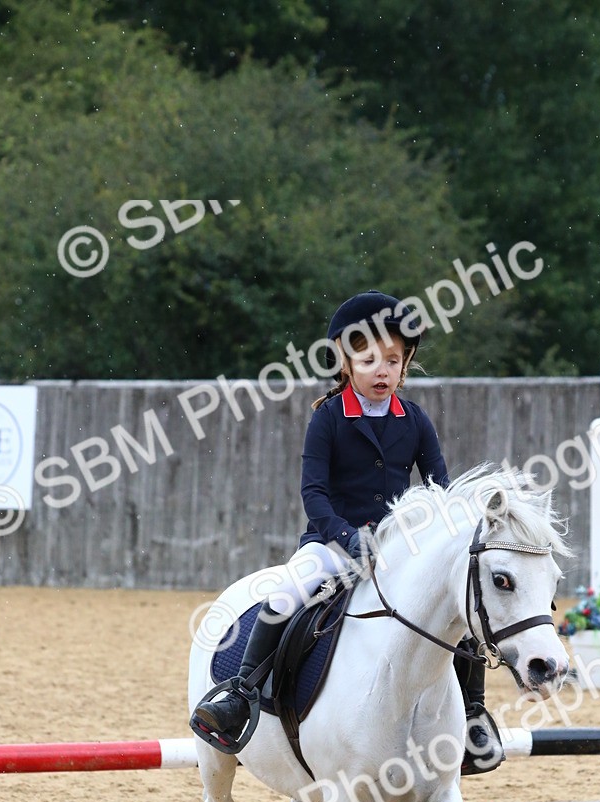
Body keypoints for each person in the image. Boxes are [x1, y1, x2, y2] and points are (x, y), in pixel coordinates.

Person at [191, 291, 498, 770]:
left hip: (399, 551)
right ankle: (240, 694)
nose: (382, 370)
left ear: (405, 363)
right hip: (334, 544)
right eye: (370, 359)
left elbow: (440, 490)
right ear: (346, 361)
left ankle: (474, 714)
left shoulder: (415, 420)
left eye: (393, 361)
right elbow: (313, 494)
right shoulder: (329, 417)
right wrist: (349, 538)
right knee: (285, 595)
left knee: (458, 602)